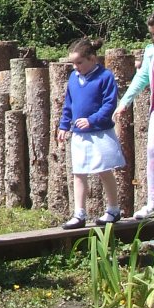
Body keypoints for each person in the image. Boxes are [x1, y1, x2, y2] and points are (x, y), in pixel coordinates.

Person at [57, 38, 125, 229]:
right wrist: (64, 126)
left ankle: (113, 209)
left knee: (104, 171)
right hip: (79, 133)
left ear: (92, 59)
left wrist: (91, 120)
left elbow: (109, 104)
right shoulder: (73, 78)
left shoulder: (105, 76)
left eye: (80, 62)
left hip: (100, 132)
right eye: (73, 63)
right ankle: (79, 214)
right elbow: (68, 104)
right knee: (79, 172)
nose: (76, 67)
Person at [114, 6, 154, 219]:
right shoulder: (151, 51)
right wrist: (125, 101)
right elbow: (142, 78)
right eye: (153, 34)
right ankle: (152, 203)